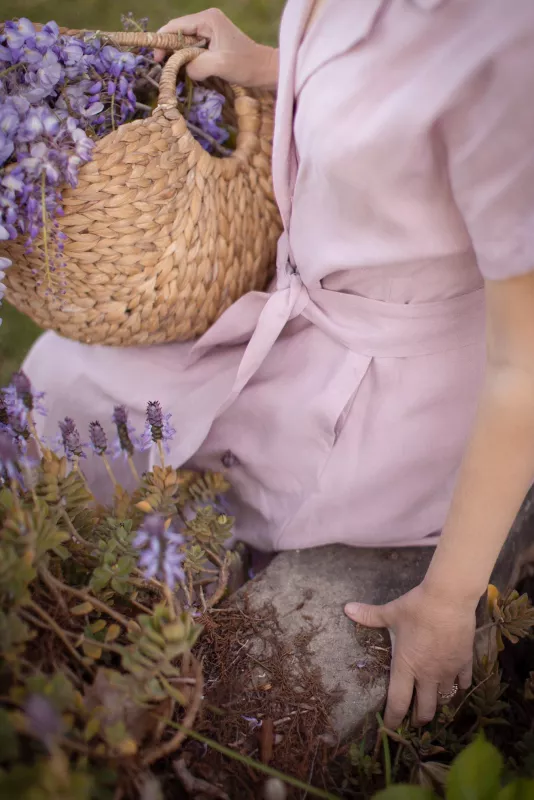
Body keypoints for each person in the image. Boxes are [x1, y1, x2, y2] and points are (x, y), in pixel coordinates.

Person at [23, 0, 534, 728]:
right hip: (298, 312)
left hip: (385, 392)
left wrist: (449, 600)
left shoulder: (507, 61)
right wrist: (271, 63)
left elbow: (526, 364)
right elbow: (387, 89)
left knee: (223, 507)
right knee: (60, 380)